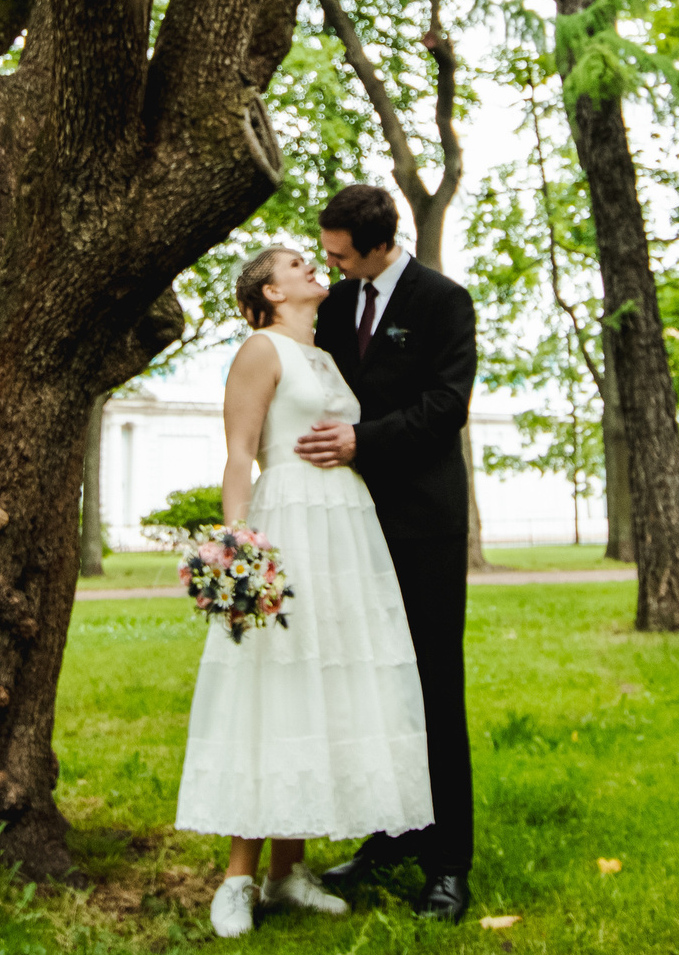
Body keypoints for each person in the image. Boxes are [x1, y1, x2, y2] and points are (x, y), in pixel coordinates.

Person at [174, 245, 434, 939]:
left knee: (327, 679)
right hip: (286, 518)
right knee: (274, 682)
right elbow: (240, 449)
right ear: (267, 288)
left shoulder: (323, 353)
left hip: (345, 525)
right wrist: (237, 544)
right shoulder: (260, 349)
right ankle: (236, 877)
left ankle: (290, 871)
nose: (311, 267)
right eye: (294, 263)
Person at [299, 183, 480, 923]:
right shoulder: (339, 305)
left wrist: (362, 442)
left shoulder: (444, 300)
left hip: (424, 524)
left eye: (341, 252)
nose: (331, 263)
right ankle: (391, 832)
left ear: (379, 244)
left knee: (434, 688)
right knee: (372, 686)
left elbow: (447, 404)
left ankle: (447, 864)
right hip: (353, 527)